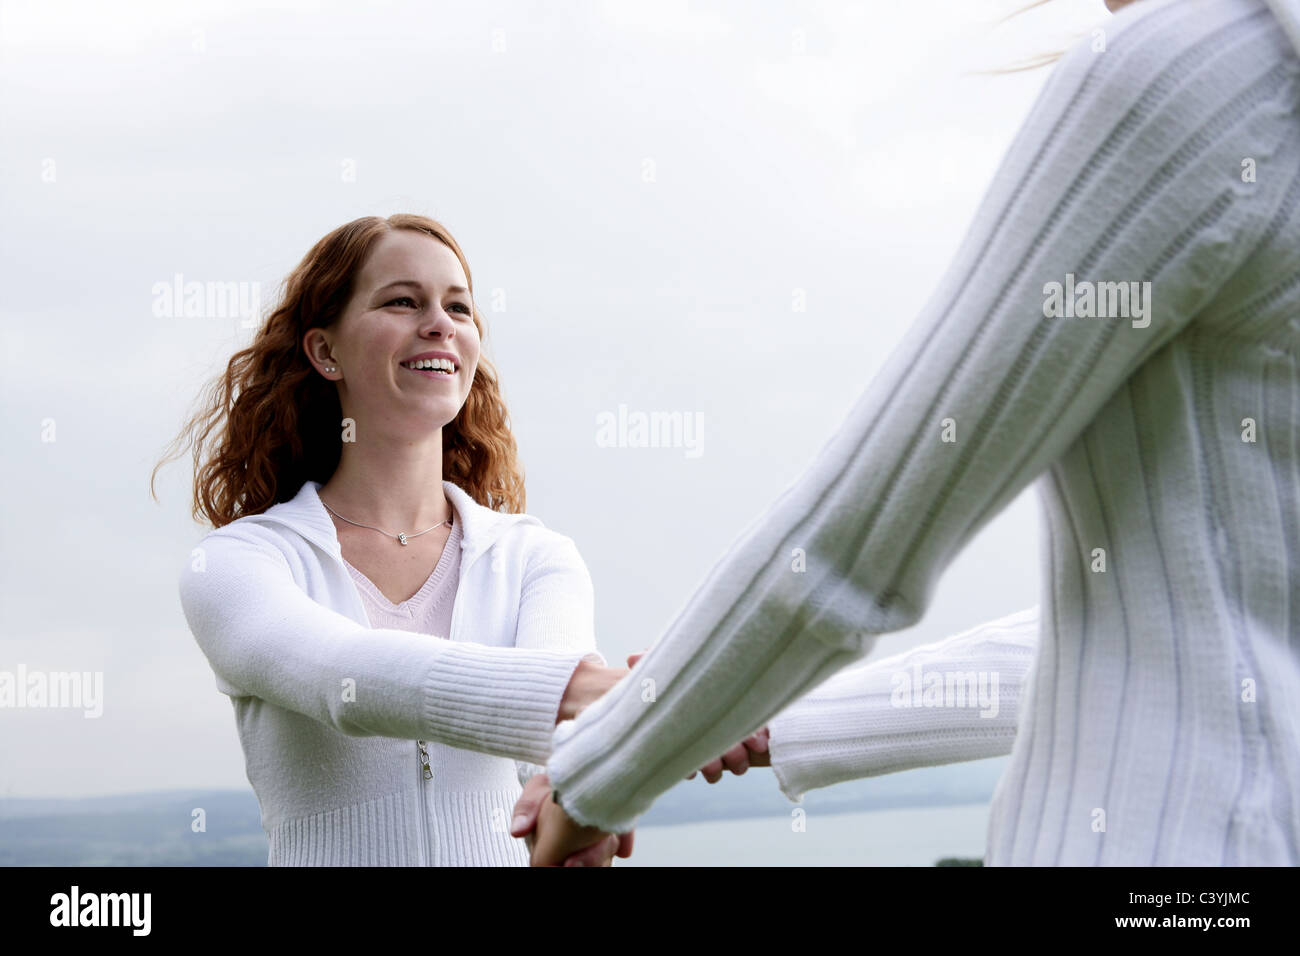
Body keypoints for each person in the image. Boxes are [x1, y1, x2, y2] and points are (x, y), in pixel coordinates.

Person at [520, 0, 1300, 865]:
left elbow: (859, 538)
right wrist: (768, 717)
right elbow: (1132, 629)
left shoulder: (1185, 72)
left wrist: (595, 781)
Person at [156, 214, 632, 866]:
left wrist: (575, 800)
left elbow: (566, 743)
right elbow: (345, 676)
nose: (440, 322)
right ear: (325, 352)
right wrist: (571, 690)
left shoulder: (536, 559)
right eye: (403, 301)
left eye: (458, 306)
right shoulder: (241, 563)